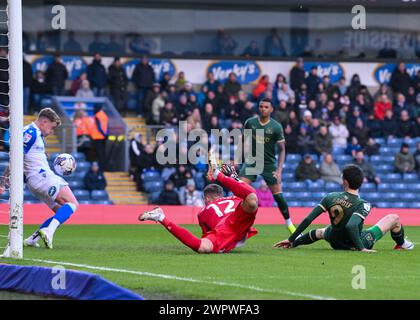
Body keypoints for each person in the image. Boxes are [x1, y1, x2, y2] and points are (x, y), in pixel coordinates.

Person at [275, 164, 414, 252]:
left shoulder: (330, 196)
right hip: (355, 242)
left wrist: (292, 238)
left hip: (335, 240)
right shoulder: (363, 204)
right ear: (360, 183)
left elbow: (309, 218)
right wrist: (362, 248)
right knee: (394, 218)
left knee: (321, 232)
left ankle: (295, 243)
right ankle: (402, 243)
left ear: (345, 182)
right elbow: (351, 226)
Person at [139, 159, 259, 254]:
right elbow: (248, 194)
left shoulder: (203, 212)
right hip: (239, 221)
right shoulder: (236, 198)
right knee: (252, 200)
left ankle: (161, 217)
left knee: (202, 247)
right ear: (221, 195)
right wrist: (234, 177)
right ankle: (227, 176)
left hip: (225, 228)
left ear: (206, 199)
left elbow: (208, 233)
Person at [0, 108, 79, 249]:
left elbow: (23, 154)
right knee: (73, 203)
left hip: (34, 182)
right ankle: (49, 231)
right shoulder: (31, 133)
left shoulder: (31, 133)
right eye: (52, 127)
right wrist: (5, 178)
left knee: (60, 211)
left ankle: (32, 239)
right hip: (43, 177)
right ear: (44, 122)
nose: (51, 132)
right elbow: (18, 156)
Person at [238, 98, 296, 234]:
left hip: (269, 164)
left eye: (266, 107)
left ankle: (290, 224)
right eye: (261, 106)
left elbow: (282, 149)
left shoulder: (276, 127)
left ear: (271, 110)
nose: (263, 109)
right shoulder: (250, 123)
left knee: (279, 196)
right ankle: (240, 224)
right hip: (252, 161)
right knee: (239, 191)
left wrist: (279, 170)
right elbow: (242, 141)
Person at [90, 105, 109, 171]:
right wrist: (105, 135)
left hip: (97, 137)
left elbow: (99, 127)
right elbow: (106, 126)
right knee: (103, 153)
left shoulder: (97, 115)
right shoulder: (104, 115)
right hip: (104, 137)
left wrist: (103, 133)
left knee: (99, 154)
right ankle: (105, 167)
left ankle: (101, 168)